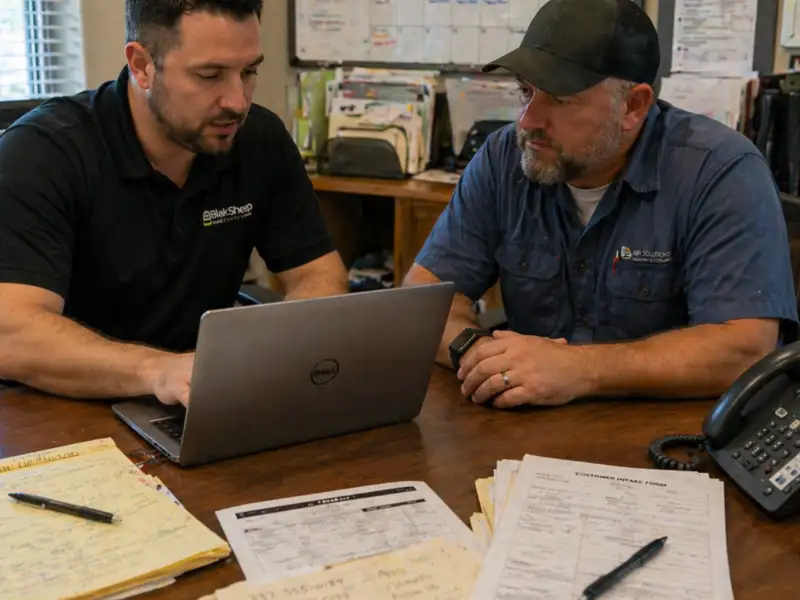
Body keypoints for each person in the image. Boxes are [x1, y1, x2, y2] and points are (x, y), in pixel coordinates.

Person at [404, 0, 799, 409]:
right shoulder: (503, 159)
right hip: (526, 430)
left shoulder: (719, 171)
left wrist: (580, 369)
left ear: (633, 106)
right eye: (525, 90)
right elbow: (421, 301)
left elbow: (744, 349)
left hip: (668, 434)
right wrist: (480, 356)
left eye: (558, 98)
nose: (527, 120)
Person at [0, 0, 348, 407]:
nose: (237, 101)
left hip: (196, 399)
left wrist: (271, 353)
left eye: (249, 71)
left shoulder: (258, 140)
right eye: (210, 75)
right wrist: (157, 370)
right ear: (142, 65)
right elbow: (12, 333)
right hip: (58, 413)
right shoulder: (43, 153)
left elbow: (321, 275)